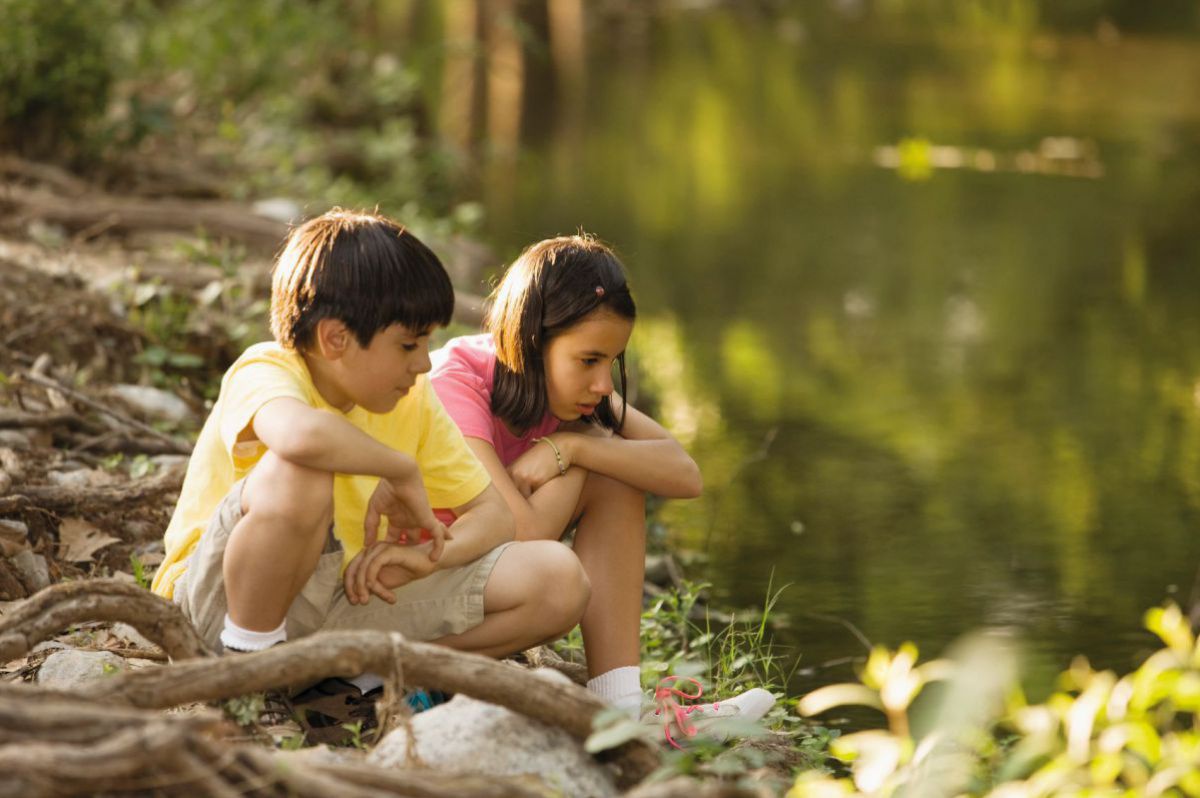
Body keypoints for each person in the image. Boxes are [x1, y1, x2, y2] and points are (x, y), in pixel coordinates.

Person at [151, 210, 590, 669]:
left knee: (557, 579)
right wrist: (398, 467)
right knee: (300, 473)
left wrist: (428, 557)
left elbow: (494, 517)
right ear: (335, 339)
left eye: (427, 344)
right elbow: (299, 437)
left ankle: (374, 675)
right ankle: (246, 670)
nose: (424, 364)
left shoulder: (412, 397)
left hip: (345, 601)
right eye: (407, 345)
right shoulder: (268, 369)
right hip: (218, 608)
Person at [429, 234, 776, 738]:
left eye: (611, 363)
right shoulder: (458, 384)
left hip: (486, 591)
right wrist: (582, 456)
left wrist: (576, 447)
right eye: (588, 360)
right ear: (530, 341)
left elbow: (685, 473)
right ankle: (397, 668)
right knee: (599, 479)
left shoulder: (577, 395)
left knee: (615, 471)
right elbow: (522, 538)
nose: (603, 385)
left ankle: (620, 711)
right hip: (423, 583)